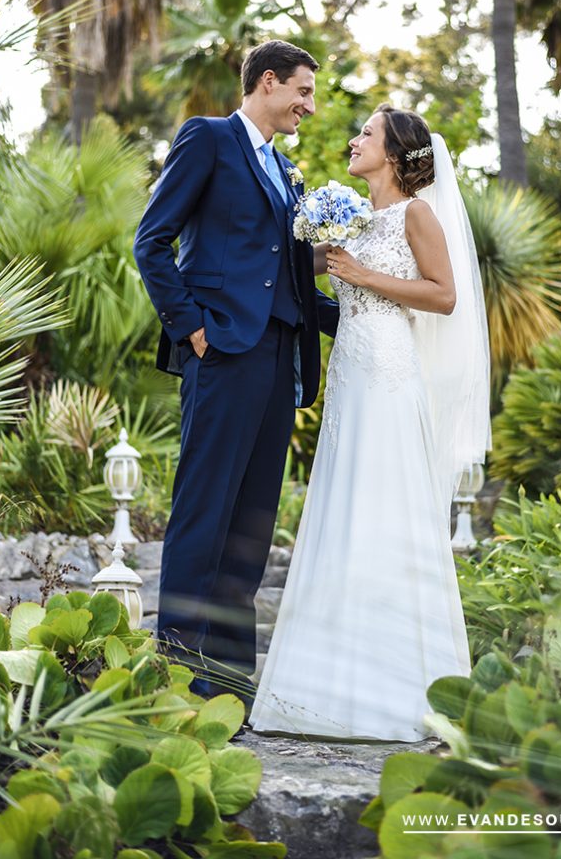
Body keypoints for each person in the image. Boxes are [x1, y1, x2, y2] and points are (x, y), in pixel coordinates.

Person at [249, 104, 491, 741]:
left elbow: (443, 295)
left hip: (389, 378)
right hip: (350, 383)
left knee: (388, 514)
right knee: (344, 511)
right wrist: (324, 273)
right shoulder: (356, 220)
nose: (354, 141)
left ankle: (398, 694)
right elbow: (349, 301)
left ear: (394, 154)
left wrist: (362, 275)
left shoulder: (417, 213)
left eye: (366, 134)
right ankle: (327, 690)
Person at [133, 40, 339, 703]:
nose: (309, 106)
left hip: (281, 357)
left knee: (252, 522)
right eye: (302, 92)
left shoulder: (285, 171)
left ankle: (227, 684)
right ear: (269, 82)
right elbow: (152, 240)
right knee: (204, 511)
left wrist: (364, 309)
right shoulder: (209, 139)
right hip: (220, 351)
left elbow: (282, 268)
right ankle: (176, 673)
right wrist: (190, 326)